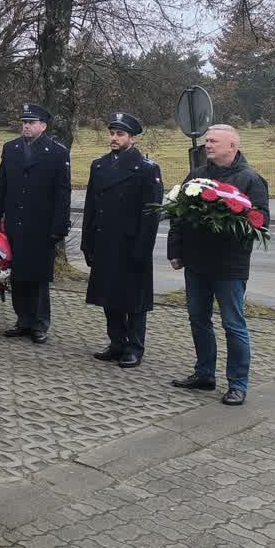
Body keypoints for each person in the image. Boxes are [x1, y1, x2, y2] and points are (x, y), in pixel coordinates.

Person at [168, 124, 270, 406]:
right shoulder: (197, 175)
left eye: (213, 141)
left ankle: (237, 384)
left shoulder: (251, 180)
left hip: (229, 267)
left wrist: (226, 221)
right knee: (198, 319)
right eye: (207, 141)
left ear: (232, 147)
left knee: (233, 324)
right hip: (196, 263)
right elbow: (178, 215)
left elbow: (260, 222)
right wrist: (175, 250)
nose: (208, 145)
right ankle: (204, 374)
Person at [81, 113, 163, 368]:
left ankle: (134, 347)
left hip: (130, 243)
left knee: (133, 300)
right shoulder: (99, 165)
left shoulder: (146, 169)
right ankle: (116, 342)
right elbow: (91, 207)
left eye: (120, 134)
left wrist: (143, 249)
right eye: (112, 133)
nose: (114, 138)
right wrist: (87, 242)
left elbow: (150, 214)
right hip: (105, 240)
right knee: (109, 295)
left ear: (132, 138)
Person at [0, 104, 71, 344]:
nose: (26, 126)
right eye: (24, 122)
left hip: (41, 226)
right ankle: (22, 320)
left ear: (43, 126)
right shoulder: (11, 148)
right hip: (14, 223)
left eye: (31, 122)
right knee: (17, 275)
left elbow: (62, 193)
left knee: (38, 277)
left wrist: (59, 227)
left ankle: (39, 323)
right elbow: (2, 186)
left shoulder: (56, 152)